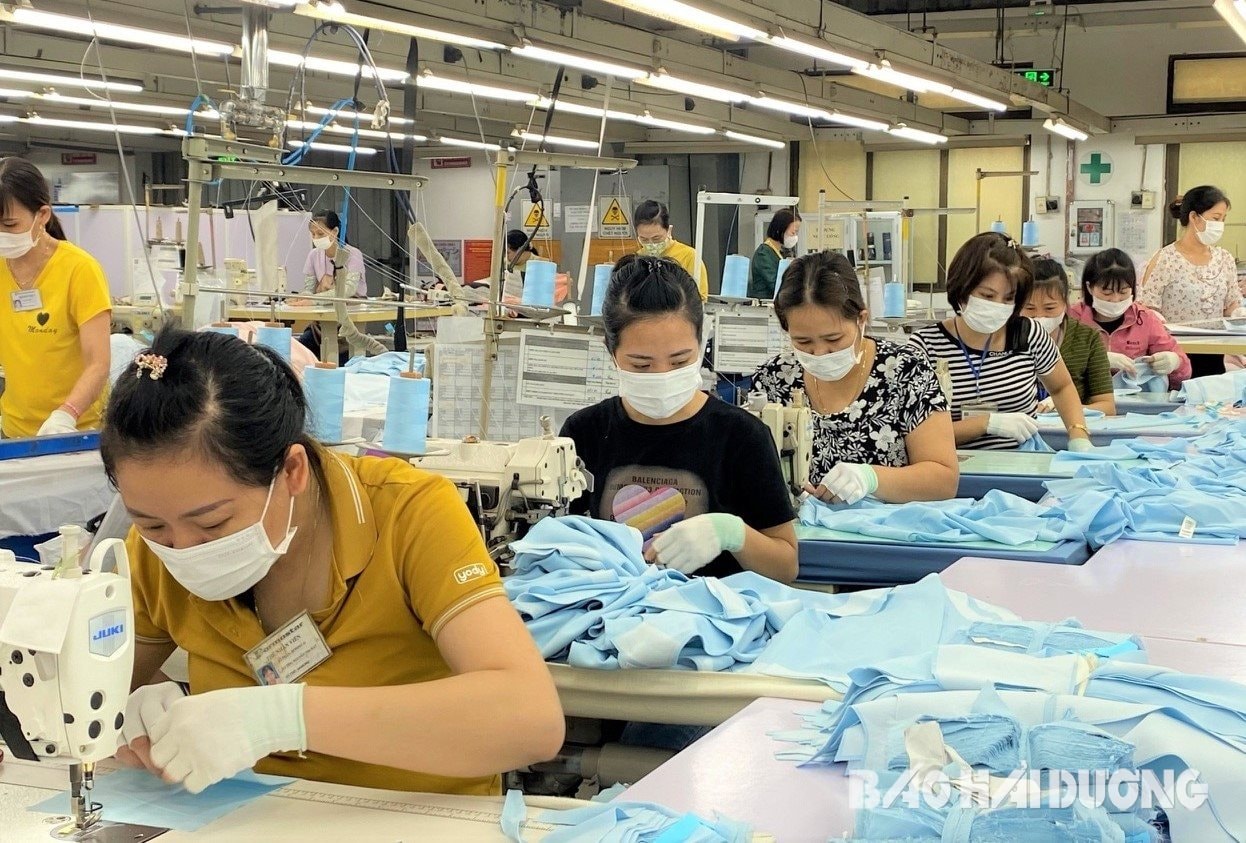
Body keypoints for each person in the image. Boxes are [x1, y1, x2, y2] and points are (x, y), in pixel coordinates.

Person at [103, 329, 563, 796]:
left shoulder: (409, 514)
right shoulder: (159, 548)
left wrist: (282, 718)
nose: (183, 548)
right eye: (151, 524)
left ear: (292, 471)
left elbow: (530, 720)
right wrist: (144, 710)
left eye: (212, 522)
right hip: (247, 815)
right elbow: (90, 687)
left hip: (418, 816)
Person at [560, 255, 797, 583]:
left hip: (713, 611)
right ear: (610, 352)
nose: (662, 375)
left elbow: (786, 567)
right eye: (641, 365)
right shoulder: (584, 432)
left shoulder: (741, 436)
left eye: (679, 361)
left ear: (700, 343)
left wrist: (732, 533)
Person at [752, 251, 957, 504]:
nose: (819, 353)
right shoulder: (773, 379)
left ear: (861, 319)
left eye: (833, 339)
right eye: (803, 341)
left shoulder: (906, 371)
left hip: (888, 527)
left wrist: (871, 478)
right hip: (797, 527)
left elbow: (944, 481)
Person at [908, 232, 1092, 451]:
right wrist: (984, 424)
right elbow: (916, 434)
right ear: (962, 289)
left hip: (1020, 461)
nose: (998, 306)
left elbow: (1062, 387)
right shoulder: (925, 347)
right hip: (949, 465)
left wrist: (1078, 434)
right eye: (987, 296)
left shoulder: (1028, 335)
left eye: (1008, 298)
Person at [0, 157, 110, 438]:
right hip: (14, 430)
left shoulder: (79, 270)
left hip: (76, 429)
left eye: (10, 224)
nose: (2, 235)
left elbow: (98, 364)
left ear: (43, 215)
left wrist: (66, 414)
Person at [1140, 186, 1238, 377]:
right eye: (1216, 218)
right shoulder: (1166, 259)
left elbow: (1230, 305)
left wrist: (1238, 313)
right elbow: (1146, 308)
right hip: (1174, 355)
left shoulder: (1224, 259)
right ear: (1194, 217)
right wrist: (1155, 317)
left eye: (1223, 219)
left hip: (1214, 355)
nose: (1220, 225)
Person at [1070, 248, 1191, 392]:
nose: (1115, 299)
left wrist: (1175, 362)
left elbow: (1185, 372)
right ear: (1089, 287)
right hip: (1083, 398)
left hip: (1136, 399)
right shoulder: (1073, 318)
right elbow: (1054, 364)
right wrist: (1095, 360)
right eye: (1107, 292)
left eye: (1123, 292)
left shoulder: (1145, 319)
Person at [1022, 259, 1116, 416]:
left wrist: (1068, 407)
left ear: (1066, 302)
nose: (1039, 316)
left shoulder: (1087, 339)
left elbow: (1108, 407)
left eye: (1049, 308)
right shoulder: (1004, 338)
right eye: (1029, 308)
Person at [294, 209, 367, 362]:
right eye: (313, 234)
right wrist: (301, 298)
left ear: (335, 232)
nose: (316, 238)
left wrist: (314, 300)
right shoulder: (314, 255)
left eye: (320, 234)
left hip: (348, 323)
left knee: (342, 361)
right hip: (321, 325)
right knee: (298, 354)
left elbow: (348, 290)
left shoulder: (353, 254)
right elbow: (308, 288)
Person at [633, 200, 709, 300]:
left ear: (669, 230)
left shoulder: (689, 256)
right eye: (644, 239)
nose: (651, 244)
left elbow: (700, 298)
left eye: (656, 238)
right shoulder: (637, 259)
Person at [748, 209, 800, 299]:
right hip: (765, 304)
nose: (795, 236)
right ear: (780, 229)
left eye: (796, 232)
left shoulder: (782, 253)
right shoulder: (763, 254)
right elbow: (776, 284)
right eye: (793, 232)